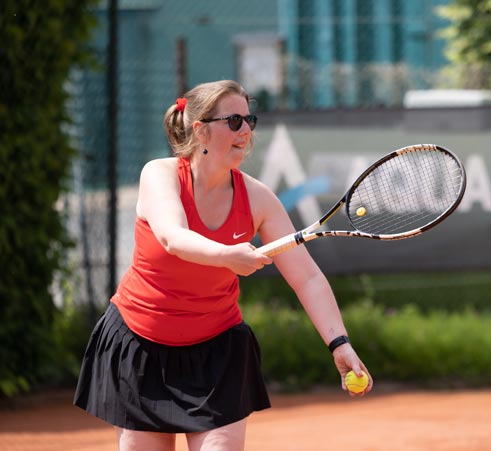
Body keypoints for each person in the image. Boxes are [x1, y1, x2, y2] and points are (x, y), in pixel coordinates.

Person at [74, 80, 372, 451]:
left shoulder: (259, 198)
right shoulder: (160, 174)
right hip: (141, 346)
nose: (246, 131)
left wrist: (339, 343)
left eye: (250, 120)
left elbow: (307, 277)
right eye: (234, 121)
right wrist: (228, 255)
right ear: (200, 129)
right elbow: (173, 237)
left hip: (216, 355)